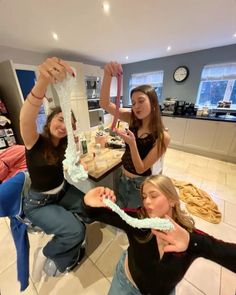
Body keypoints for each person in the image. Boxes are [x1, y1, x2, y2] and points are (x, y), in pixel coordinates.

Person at [82, 174, 236, 295]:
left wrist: (192, 241)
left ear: (172, 200)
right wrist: (88, 202)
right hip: (126, 283)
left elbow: (227, 254)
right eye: (144, 197)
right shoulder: (137, 219)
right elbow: (94, 214)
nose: (146, 201)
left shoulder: (189, 237)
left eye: (153, 196)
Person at [19, 57, 88, 279]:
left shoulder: (66, 144)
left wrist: (78, 163)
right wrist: (42, 82)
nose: (64, 125)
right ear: (49, 122)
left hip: (63, 191)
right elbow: (26, 119)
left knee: (89, 208)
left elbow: (72, 160)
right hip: (38, 204)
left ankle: (69, 238)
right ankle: (49, 252)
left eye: (68, 122)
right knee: (76, 232)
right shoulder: (35, 141)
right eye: (60, 119)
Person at [100, 61, 170, 208]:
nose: (136, 106)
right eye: (133, 102)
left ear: (153, 103)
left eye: (141, 101)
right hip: (123, 177)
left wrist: (132, 143)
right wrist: (107, 75)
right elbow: (105, 103)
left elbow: (141, 168)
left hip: (139, 185)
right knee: (120, 209)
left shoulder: (163, 137)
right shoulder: (132, 118)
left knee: (134, 217)